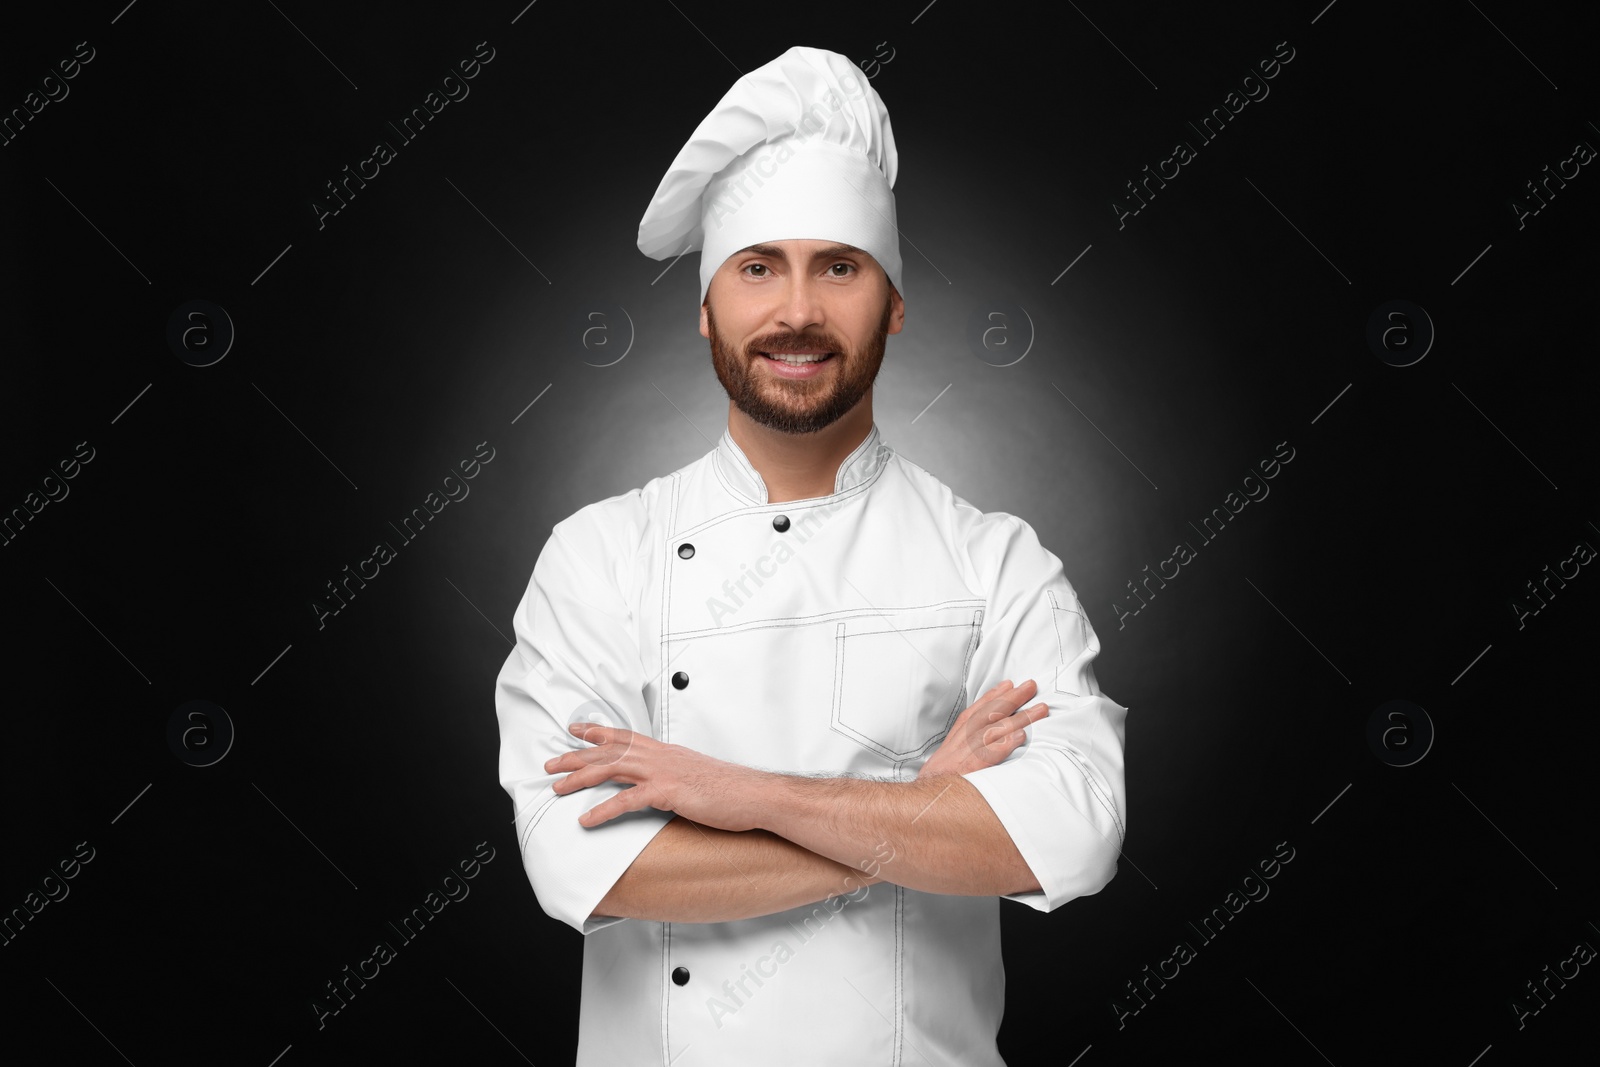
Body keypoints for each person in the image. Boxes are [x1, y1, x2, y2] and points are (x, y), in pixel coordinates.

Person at [494, 45, 1129, 1066]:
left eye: (839, 266)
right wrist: (920, 810)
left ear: (895, 304)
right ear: (706, 310)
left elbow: (1072, 834)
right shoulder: (597, 557)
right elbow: (588, 865)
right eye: (757, 267)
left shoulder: (994, 561)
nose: (796, 311)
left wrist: (747, 795)